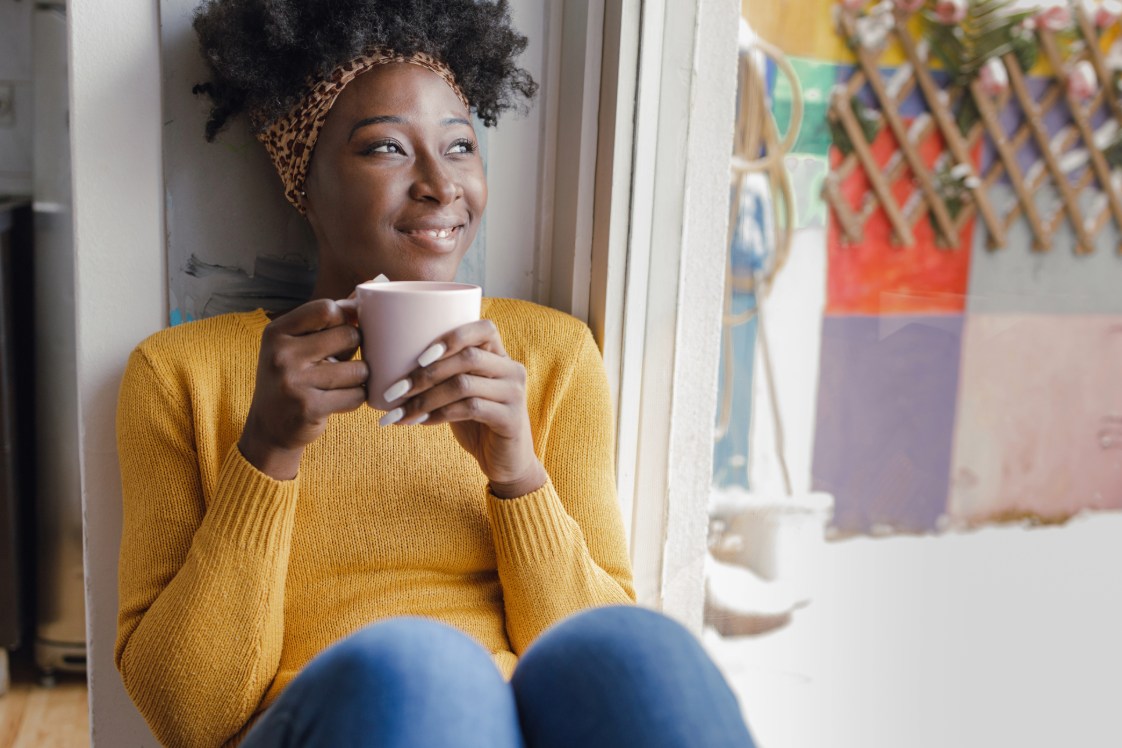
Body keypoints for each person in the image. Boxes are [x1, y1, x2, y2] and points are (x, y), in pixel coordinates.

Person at [115, 1, 757, 746]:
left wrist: (518, 477)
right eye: (387, 149)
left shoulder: (551, 358)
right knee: (422, 667)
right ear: (304, 180)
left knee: (643, 648)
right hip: (333, 717)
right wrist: (265, 454)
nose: (441, 185)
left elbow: (585, 667)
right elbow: (190, 717)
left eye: (460, 146)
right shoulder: (181, 374)